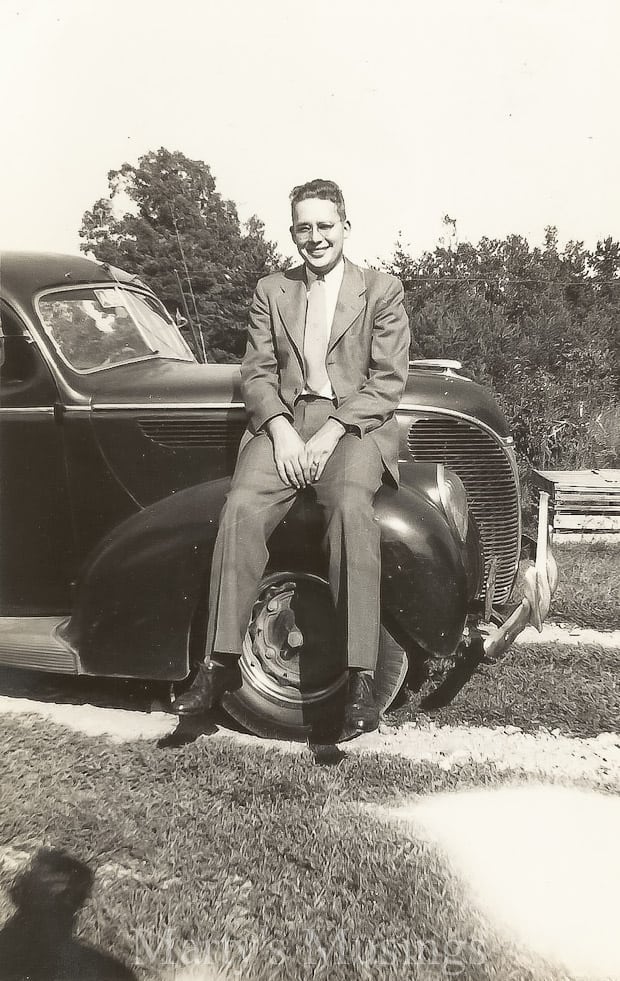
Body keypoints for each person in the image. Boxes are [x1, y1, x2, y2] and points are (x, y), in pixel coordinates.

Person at [172, 178, 410, 733]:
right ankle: (220, 663)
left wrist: (328, 434)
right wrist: (280, 430)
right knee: (241, 509)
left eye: (325, 225)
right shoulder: (271, 289)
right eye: (304, 227)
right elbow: (255, 372)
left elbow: (387, 383)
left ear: (345, 227)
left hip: (352, 425)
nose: (316, 237)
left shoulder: (381, 289)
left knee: (352, 508)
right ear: (293, 233)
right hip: (283, 424)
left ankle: (359, 679)